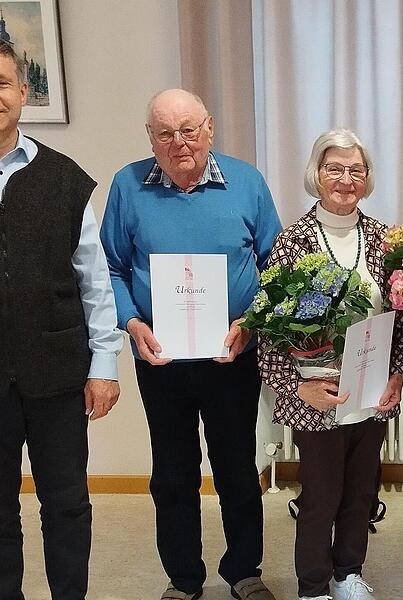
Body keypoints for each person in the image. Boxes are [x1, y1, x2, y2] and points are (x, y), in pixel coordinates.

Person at [100, 89, 281, 600]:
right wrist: (131, 322)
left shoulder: (247, 182)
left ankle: (244, 570)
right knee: (173, 475)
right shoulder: (127, 186)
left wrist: (251, 321)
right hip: (161, 358)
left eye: (189, 129)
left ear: (210, 128)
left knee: (237, 470)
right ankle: (183, 579)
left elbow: (276, 266)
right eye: (165, 133)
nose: (179, 143)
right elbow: (110, 267)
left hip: (232, 356)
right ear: (150, 138)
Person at [259, 129, 403, 600]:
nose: (346, 179)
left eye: (356, 170)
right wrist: (295, 389)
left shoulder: (384, 239)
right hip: (317, 393)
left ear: (367, 179)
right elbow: (267, 328)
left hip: (373, 389)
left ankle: (348, 573)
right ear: (316, 174)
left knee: (360, 492)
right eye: (335, 168)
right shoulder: (292, 242)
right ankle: (313, 586)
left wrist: (398, 375)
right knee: (320, 497)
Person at [0, 41, 123, 600]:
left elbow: (94, 281)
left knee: (67, 502)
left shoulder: (65, 178)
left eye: (2, 84)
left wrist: (104, 365)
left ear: (23, 92)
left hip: (57, 371)